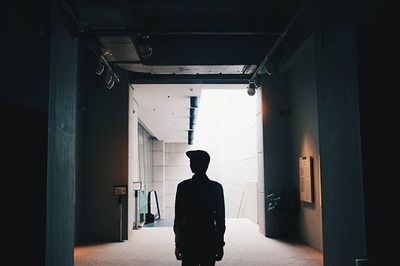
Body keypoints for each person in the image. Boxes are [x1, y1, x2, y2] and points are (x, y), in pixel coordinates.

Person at [174, 150, 226, 266]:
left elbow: (178, 218)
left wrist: (178, 243)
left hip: (188, 240)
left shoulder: (183, 187)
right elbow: (220, 220)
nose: (190, 164)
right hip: (208, 239)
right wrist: (219, 244)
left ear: (203, 165)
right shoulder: (216, 188)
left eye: (193, 162)